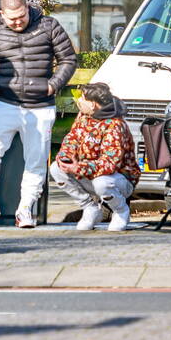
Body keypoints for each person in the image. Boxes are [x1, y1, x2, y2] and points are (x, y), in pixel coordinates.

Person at [0, 0, 77, 229]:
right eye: (12, 19)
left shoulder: (49, 26)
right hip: (3, 104)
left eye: (22, 16)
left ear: (28, 8)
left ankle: (25, 209)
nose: (18, 22)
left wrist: (52, 86)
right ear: (2, 14)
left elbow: (69, 60)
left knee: (36, 160)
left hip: (40, 106)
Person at [50, 82, 140, 231]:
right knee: (56, 169)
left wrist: (79, 167)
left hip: (118, 179)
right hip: (88, 174)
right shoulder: (84, 117)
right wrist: (65, 158)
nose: (79, 101)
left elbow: (109, 164)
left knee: (102, 183)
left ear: (93, 104)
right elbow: (71, 139)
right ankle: (90, 208)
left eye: (83, 98)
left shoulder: (115, 125)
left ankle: (121, 211)